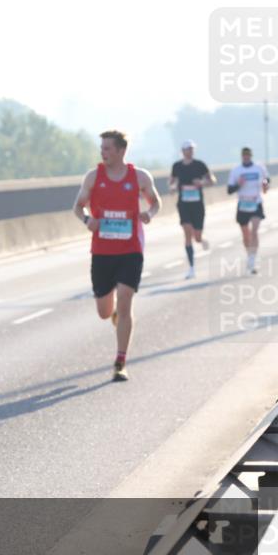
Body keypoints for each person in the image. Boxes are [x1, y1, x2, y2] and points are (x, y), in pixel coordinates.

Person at [73, 130, 162, 382]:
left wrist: (149, 214)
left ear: (121, 151)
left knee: (125, 300)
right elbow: (77, 206)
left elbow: (155, 202)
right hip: (102, 251)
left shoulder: (139, 176)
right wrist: (88, 219)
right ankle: (113, 315)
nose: (103, 152)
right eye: (101, 148)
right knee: (104, 311)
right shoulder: (93, 177)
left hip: (130, 249)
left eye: (108, 148)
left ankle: (120, 361)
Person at [168, 140, 215, 279]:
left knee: (197, 236)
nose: (190, 151)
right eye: (188, 149)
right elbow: (171, 182)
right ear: (182, 151)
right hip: (183, 204)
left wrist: (202, 182)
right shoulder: (176, 166)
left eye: (192, 149)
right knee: (187, 231)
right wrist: (172, 187)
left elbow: (212, 180)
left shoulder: (200, 165)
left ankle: (202, 240)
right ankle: (192, 267)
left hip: (197, 204)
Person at [227, 147, 270, 275]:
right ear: (242, 156)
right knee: (246, 235)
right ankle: (249, 254)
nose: (246, 157)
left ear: (251, 156)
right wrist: (239, 184)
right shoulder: (236, 170)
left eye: (248, 155)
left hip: (256, 202)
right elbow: (229, 190)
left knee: (255, 231)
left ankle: (253, 259)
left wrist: (265, 183)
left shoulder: (259, 168)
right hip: (243, 204)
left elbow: (267, 180)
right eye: (244, 155)